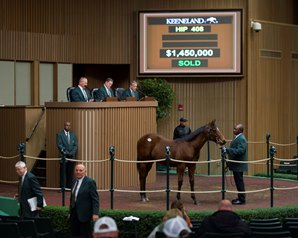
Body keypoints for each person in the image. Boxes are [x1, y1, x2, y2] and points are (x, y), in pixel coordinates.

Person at [69, 164, 99, 238]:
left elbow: (95, 199)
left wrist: (95, 213)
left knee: (85, 234)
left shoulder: (90, 182)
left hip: (85, 214)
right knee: (74, 234)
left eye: (80, 170)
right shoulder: (73, 181)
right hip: (74, 213)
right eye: (76, 170)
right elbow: (72, 198)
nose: (78, 172)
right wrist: (70, 212)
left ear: (85, 171)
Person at [222, 123, 248, 205]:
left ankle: (242, 199)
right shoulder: (237, 138)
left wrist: (228, 150)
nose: (233, 130)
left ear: (240, 130)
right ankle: (240, 197)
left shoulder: (241, 139)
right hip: (236, 165)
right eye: (234, 128)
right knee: (238, 181)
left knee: (239, 181)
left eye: (235, 129)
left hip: (238, 165)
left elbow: (240, 151)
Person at [56, 121, 78, 189]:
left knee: (70, 172)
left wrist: (71, 152)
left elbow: (75, 145)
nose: (68, 127)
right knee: (63, 173)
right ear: (64, 126)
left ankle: (69, 187)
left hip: (71, 156)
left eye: (69, 125)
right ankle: (62, 187)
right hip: (64, 156)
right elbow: (59, 144)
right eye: (67, 125)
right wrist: (66, 152)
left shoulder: (73, 134)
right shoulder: (59, 134)